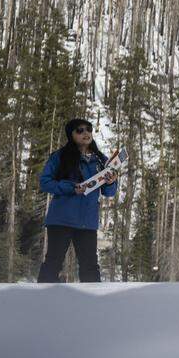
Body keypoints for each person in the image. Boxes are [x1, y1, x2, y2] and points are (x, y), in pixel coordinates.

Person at [37, 118, 119, 283]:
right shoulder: (59, 157)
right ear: (71, 135)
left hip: (87, 222)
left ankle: (92, 304)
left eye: (88, 129)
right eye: (80, 130)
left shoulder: (101, 159)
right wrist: (71, 188)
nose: (86, 133)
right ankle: (42, 301)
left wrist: (111, 182)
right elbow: (45, 182)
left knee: (90, 266)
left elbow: (108, 193)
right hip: (61, 219)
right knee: (53, 262)